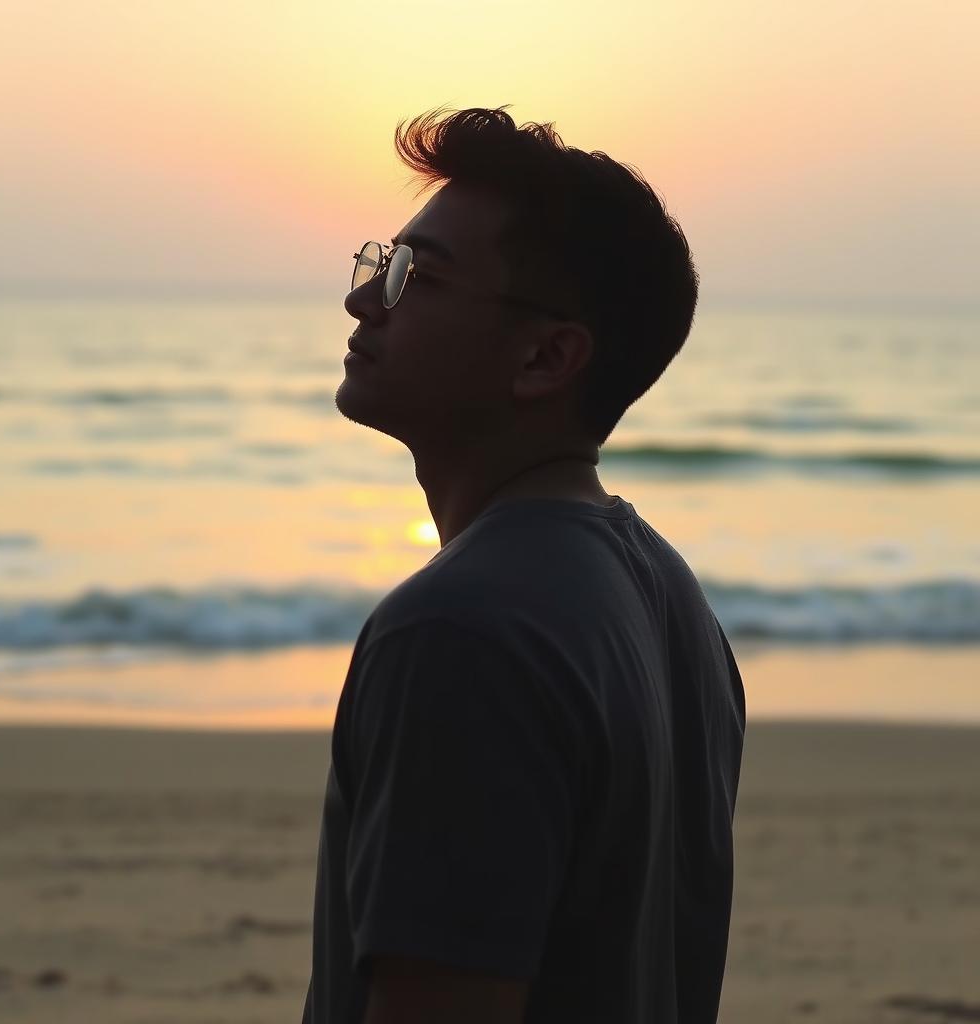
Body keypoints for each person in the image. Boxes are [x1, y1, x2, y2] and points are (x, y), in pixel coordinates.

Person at [302, 105, 745, 1024]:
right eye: (381, 262)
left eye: (415, 276)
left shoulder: (460, 632)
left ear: (547, 357)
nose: (363, 297)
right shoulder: (670, 599)